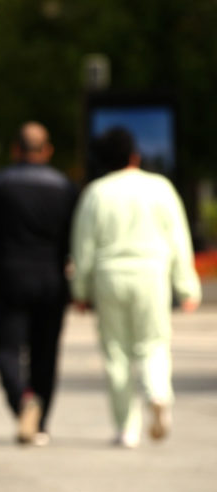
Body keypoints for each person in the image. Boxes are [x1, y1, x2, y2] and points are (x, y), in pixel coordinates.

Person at [70, 126, 200, 448]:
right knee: (154, 343)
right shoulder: (160, 188)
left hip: (109, 275)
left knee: (117, 352)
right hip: (152, 272)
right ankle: (157, 394)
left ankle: (126, 428)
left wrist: (81, 291)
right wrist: (186, 286)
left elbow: (83, 247)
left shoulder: (96, 193)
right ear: (135, 156)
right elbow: (178, 240)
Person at [0, 122, 78, 445]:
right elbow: (79, 234)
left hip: (8, 276)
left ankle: (23, 400)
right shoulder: (65, 188)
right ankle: (40, 424)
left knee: (6, 350)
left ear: (15, 149)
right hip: (52, 279)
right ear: (47, 150)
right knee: (46, 352)